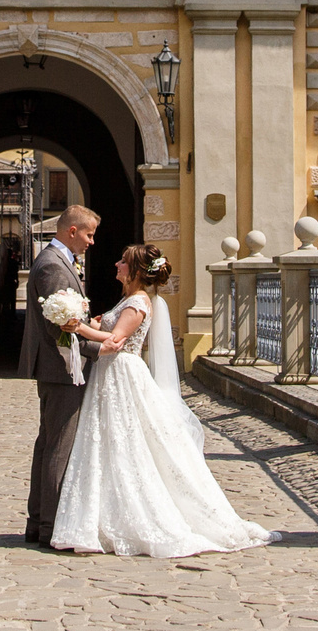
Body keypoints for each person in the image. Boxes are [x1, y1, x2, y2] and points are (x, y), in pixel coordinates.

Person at [49, 244, 274, 558]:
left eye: (123, 261)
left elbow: (117, 341)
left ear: (136, 271)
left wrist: (79, 328)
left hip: (122, 374)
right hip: (110, 375)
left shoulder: (139, 302)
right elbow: (108, 328)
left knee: (128, 440)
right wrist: (83, 321)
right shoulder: (128, 299)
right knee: (107, 441)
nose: (117, 264)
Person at [18, 203, 99, 548]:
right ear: (72, 231)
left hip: (58, 369)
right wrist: (99, 348)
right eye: (89, 235)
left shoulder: (57, 260)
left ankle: (38, 520)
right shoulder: (53, 265)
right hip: (62, 369)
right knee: (58, 447)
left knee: (49, 444)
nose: (92, 242)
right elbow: (59, 328)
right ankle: (49, 526)